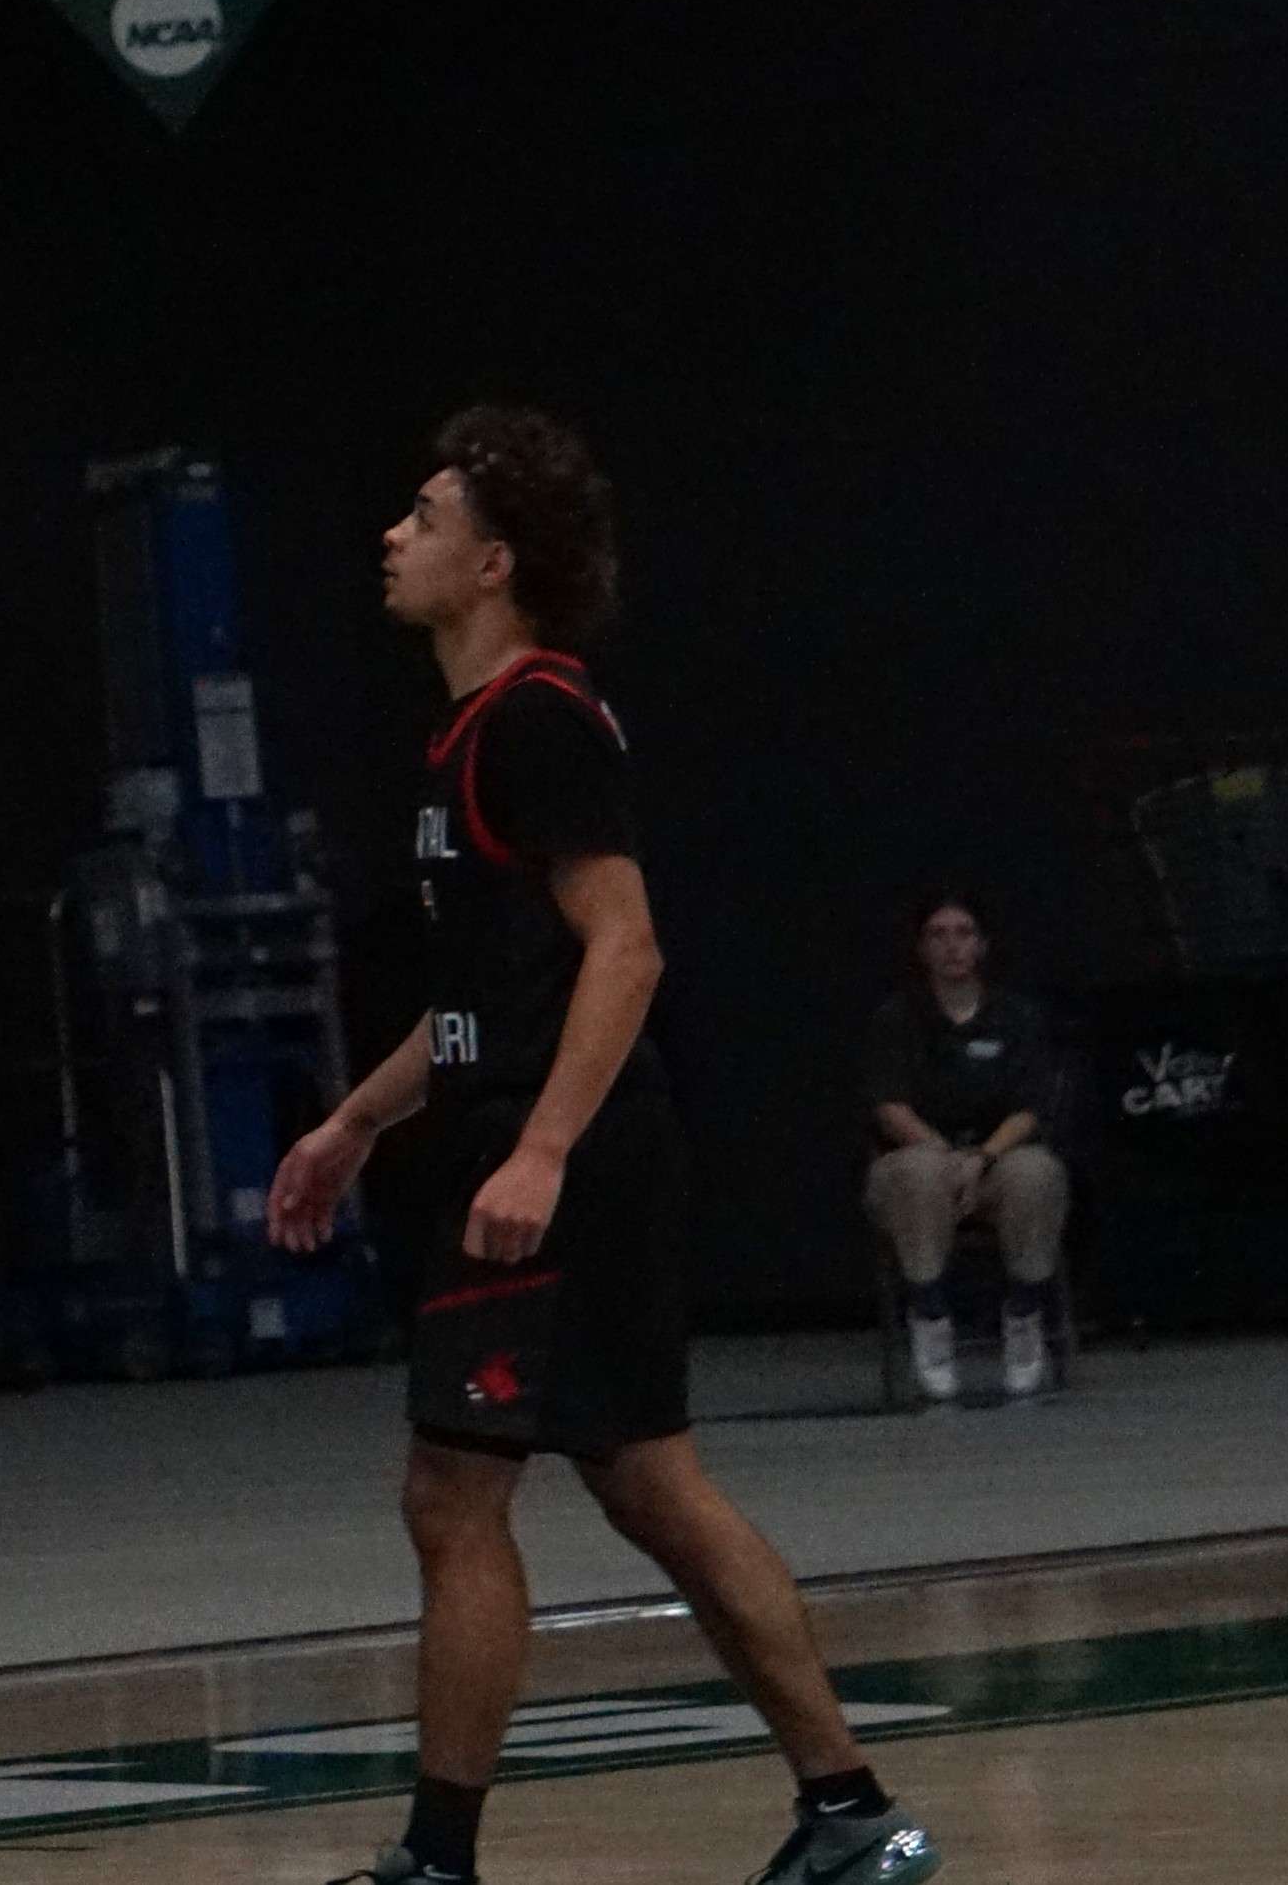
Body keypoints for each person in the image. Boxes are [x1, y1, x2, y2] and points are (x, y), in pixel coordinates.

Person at [266, 412, 940, 1885]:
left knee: (453, 1495)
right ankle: (849, 1810)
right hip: (539, 1142)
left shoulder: (538, 719)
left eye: (426, 513)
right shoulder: (471, 733)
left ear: (494, 563)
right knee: (650, 1486)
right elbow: (482, 997)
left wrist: (542, 1152)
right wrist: (356, 1120)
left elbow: (623, 949)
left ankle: (439, 1861)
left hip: (551, 1162)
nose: (393, 533)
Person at [863, 895, 1068, 1405]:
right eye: (939, 935)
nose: (952, 946)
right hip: (925, 1157)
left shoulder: (1016, 1017)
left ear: (982, 945)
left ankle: (1024, 1314)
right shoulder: (897, 1018)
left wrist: (981, 1158)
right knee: (917, 1174)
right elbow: (889, 1106)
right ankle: (930, 1314)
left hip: (998, 1157)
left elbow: (1031, 1108)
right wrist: (945, 1157)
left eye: (963, 933)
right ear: (921, 949)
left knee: (1036, 1174)